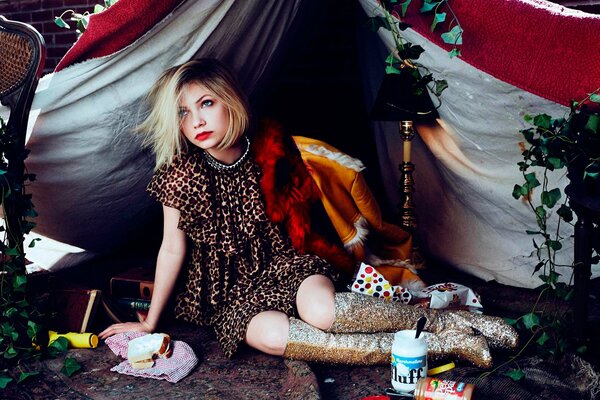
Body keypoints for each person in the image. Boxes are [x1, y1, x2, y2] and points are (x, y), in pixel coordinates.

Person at [99, 59, 518, 368]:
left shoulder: (271, 150)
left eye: (206, 103)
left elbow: (306, 218)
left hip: (288, 264)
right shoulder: (180, 175)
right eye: (184, 113)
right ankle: (449, 344)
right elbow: (172, 249)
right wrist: (150, 322)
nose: (196, 121)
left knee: (321, 311)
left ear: (230, 102)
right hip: (230, 291)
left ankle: (447, 322)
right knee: (270, 337)